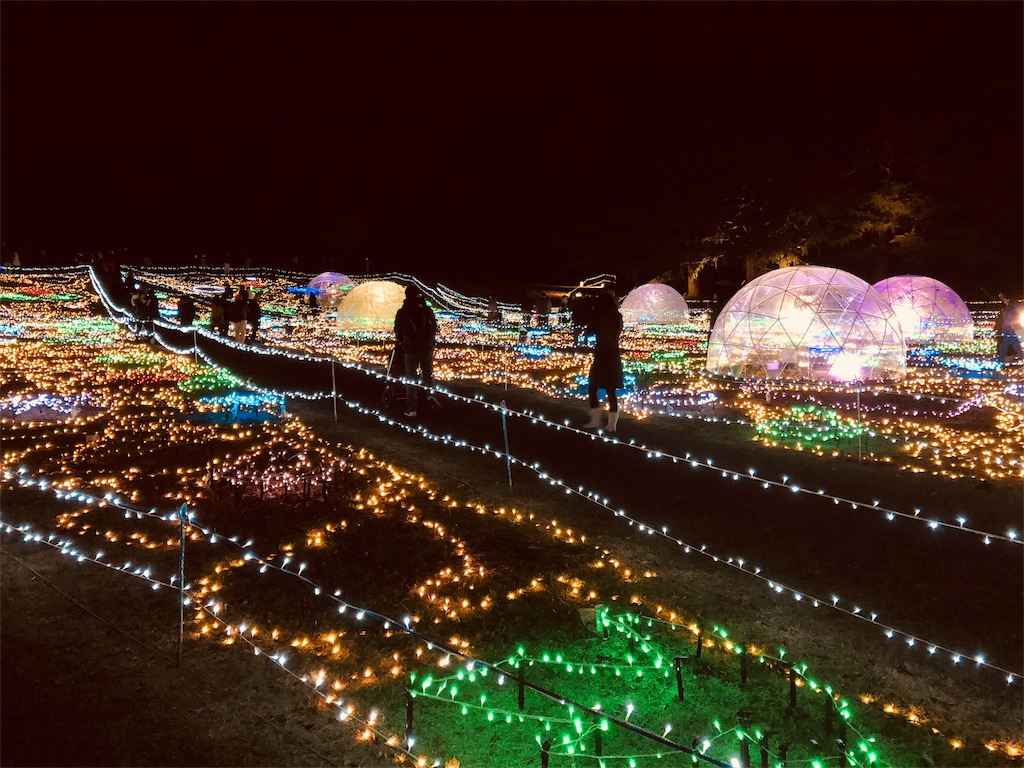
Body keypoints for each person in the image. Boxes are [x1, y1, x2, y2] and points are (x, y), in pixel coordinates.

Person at [582, 291, 624, 433]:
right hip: (613, 353)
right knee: (610, 389)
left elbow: (589, 332)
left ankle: (595, 419)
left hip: (602, 352)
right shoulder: (617, 317)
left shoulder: (600, 317)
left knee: (593, 385)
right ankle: (612, 425)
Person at [394, 285, 438, 417]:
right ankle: (429, 397)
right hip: (426, 348)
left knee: (411, 377)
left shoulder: (403, 311)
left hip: (411, 349)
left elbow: (398, 330)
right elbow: (434, 327)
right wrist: (430, 341)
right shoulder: (426, 310)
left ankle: (412, 407)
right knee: (427, 375)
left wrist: (402, 342)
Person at [996, 292, 1023, 365]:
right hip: (1012, 331)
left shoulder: (1010, 308)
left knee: (1006, 347)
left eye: (1002, 297)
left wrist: (1004, 331)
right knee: (1013, 347)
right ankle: (1001, 361)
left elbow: (1008, 321)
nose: (1001, 299)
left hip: (1011, 331)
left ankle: (1001, 361)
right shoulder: (1010, 307)